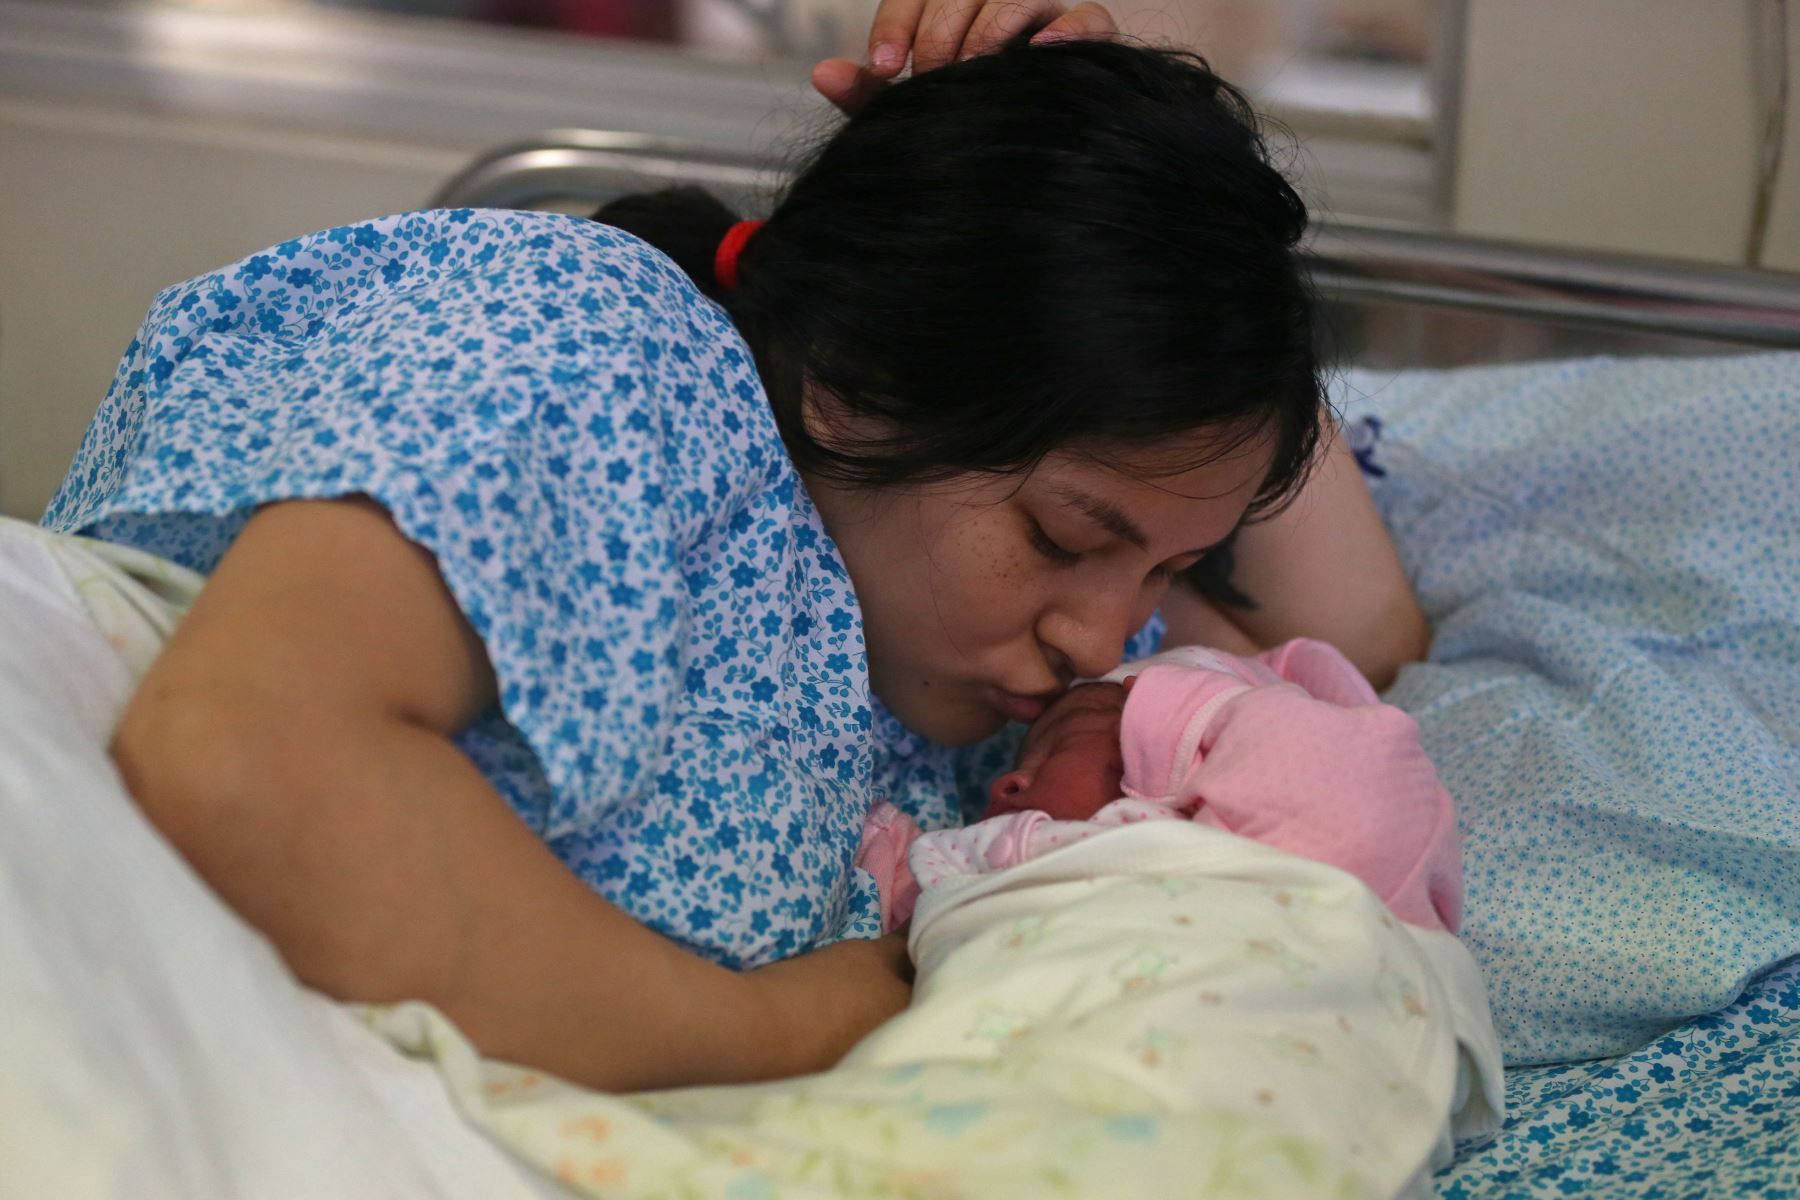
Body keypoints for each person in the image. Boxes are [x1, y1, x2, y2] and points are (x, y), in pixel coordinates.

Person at [36, 1, 1426, 1093]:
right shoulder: (596, 347)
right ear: (854, 383)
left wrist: (1167, 247)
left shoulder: (958, 676)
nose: (1100, 632)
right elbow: (244, 756)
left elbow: (1359, 654)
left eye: (1167, 572)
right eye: (1069, 533)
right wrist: (765, 1029)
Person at [855, 639, 1461, 935]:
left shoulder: (1169, 849)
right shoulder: (1021, 857)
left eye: (1062, 743)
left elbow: (1356, 792)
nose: (1010, 783)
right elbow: (921, 898)